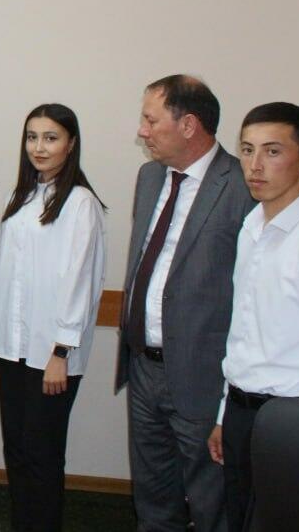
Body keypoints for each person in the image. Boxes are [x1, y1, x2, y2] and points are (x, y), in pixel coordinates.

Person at [116, 75, 251, 532]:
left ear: (189, 124)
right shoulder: (150, 177)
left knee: (213, 503)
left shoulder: (242, 186)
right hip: (144, 368)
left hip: (203, 375)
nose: (142, 131)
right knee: (153, 498)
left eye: (151, 120)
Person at [0, 104, 107, 531]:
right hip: (11, 346)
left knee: (42, 454)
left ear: (71, 144)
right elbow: (1, 267)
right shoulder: (23, 196)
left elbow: (80, 282)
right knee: (16, 450)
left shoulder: (81, 203)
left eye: (50, 138)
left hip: (50, 355)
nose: (39, 147)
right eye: (32, 137)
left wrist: (61, 352)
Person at [207, 102, 299, 532]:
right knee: (239, 518)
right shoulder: (251, 227)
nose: (254, 165)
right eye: (247, 150)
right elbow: (243, 333)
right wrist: (223, 414)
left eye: (272, 151)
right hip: (241, 408)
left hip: (294, 418)